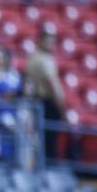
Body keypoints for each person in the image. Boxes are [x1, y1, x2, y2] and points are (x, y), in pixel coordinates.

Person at [25, 29, 65, 159]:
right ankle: (49, 168)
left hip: (39, 101)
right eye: (48, 41)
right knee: (49, 139)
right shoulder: (45, 60)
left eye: (53, 42)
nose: (51, 45)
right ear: (40, 41)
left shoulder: (32, 57)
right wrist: (60, 106)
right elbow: (50, 84)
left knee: (43, 138)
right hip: (48, 102)